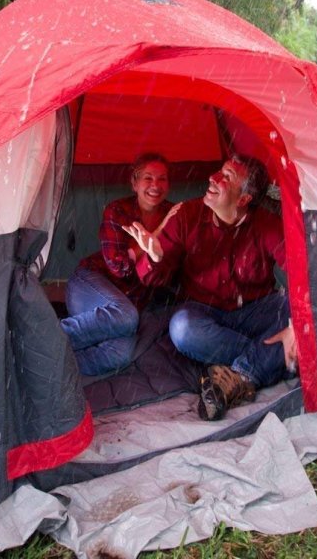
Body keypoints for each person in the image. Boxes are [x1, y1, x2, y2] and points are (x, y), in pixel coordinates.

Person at [124, 154, 297, 421]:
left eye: (226, 177)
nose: (213, 178)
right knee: (182, 328)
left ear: (244, 199)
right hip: (203, 314)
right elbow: (152, 279)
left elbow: (303, 271)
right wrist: (155, 258)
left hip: (255, 311)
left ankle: (236, 375)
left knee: (296, 312)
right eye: (219, 171)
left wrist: (296, 326)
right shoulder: (187, 214)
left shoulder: (266, 224)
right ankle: (272, 360)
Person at [60, 152, 180, 376]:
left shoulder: (174, 215)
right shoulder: (117, 211)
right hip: (90, 282)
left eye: (162, 179)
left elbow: (172, 267)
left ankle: (50, 367)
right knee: (126, 316)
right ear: (134, 183)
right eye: (148, 178)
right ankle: (40, 341)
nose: (155, 185)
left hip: (128, 302)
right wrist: (157, 232)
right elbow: (119, 267)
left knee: (119, 355)